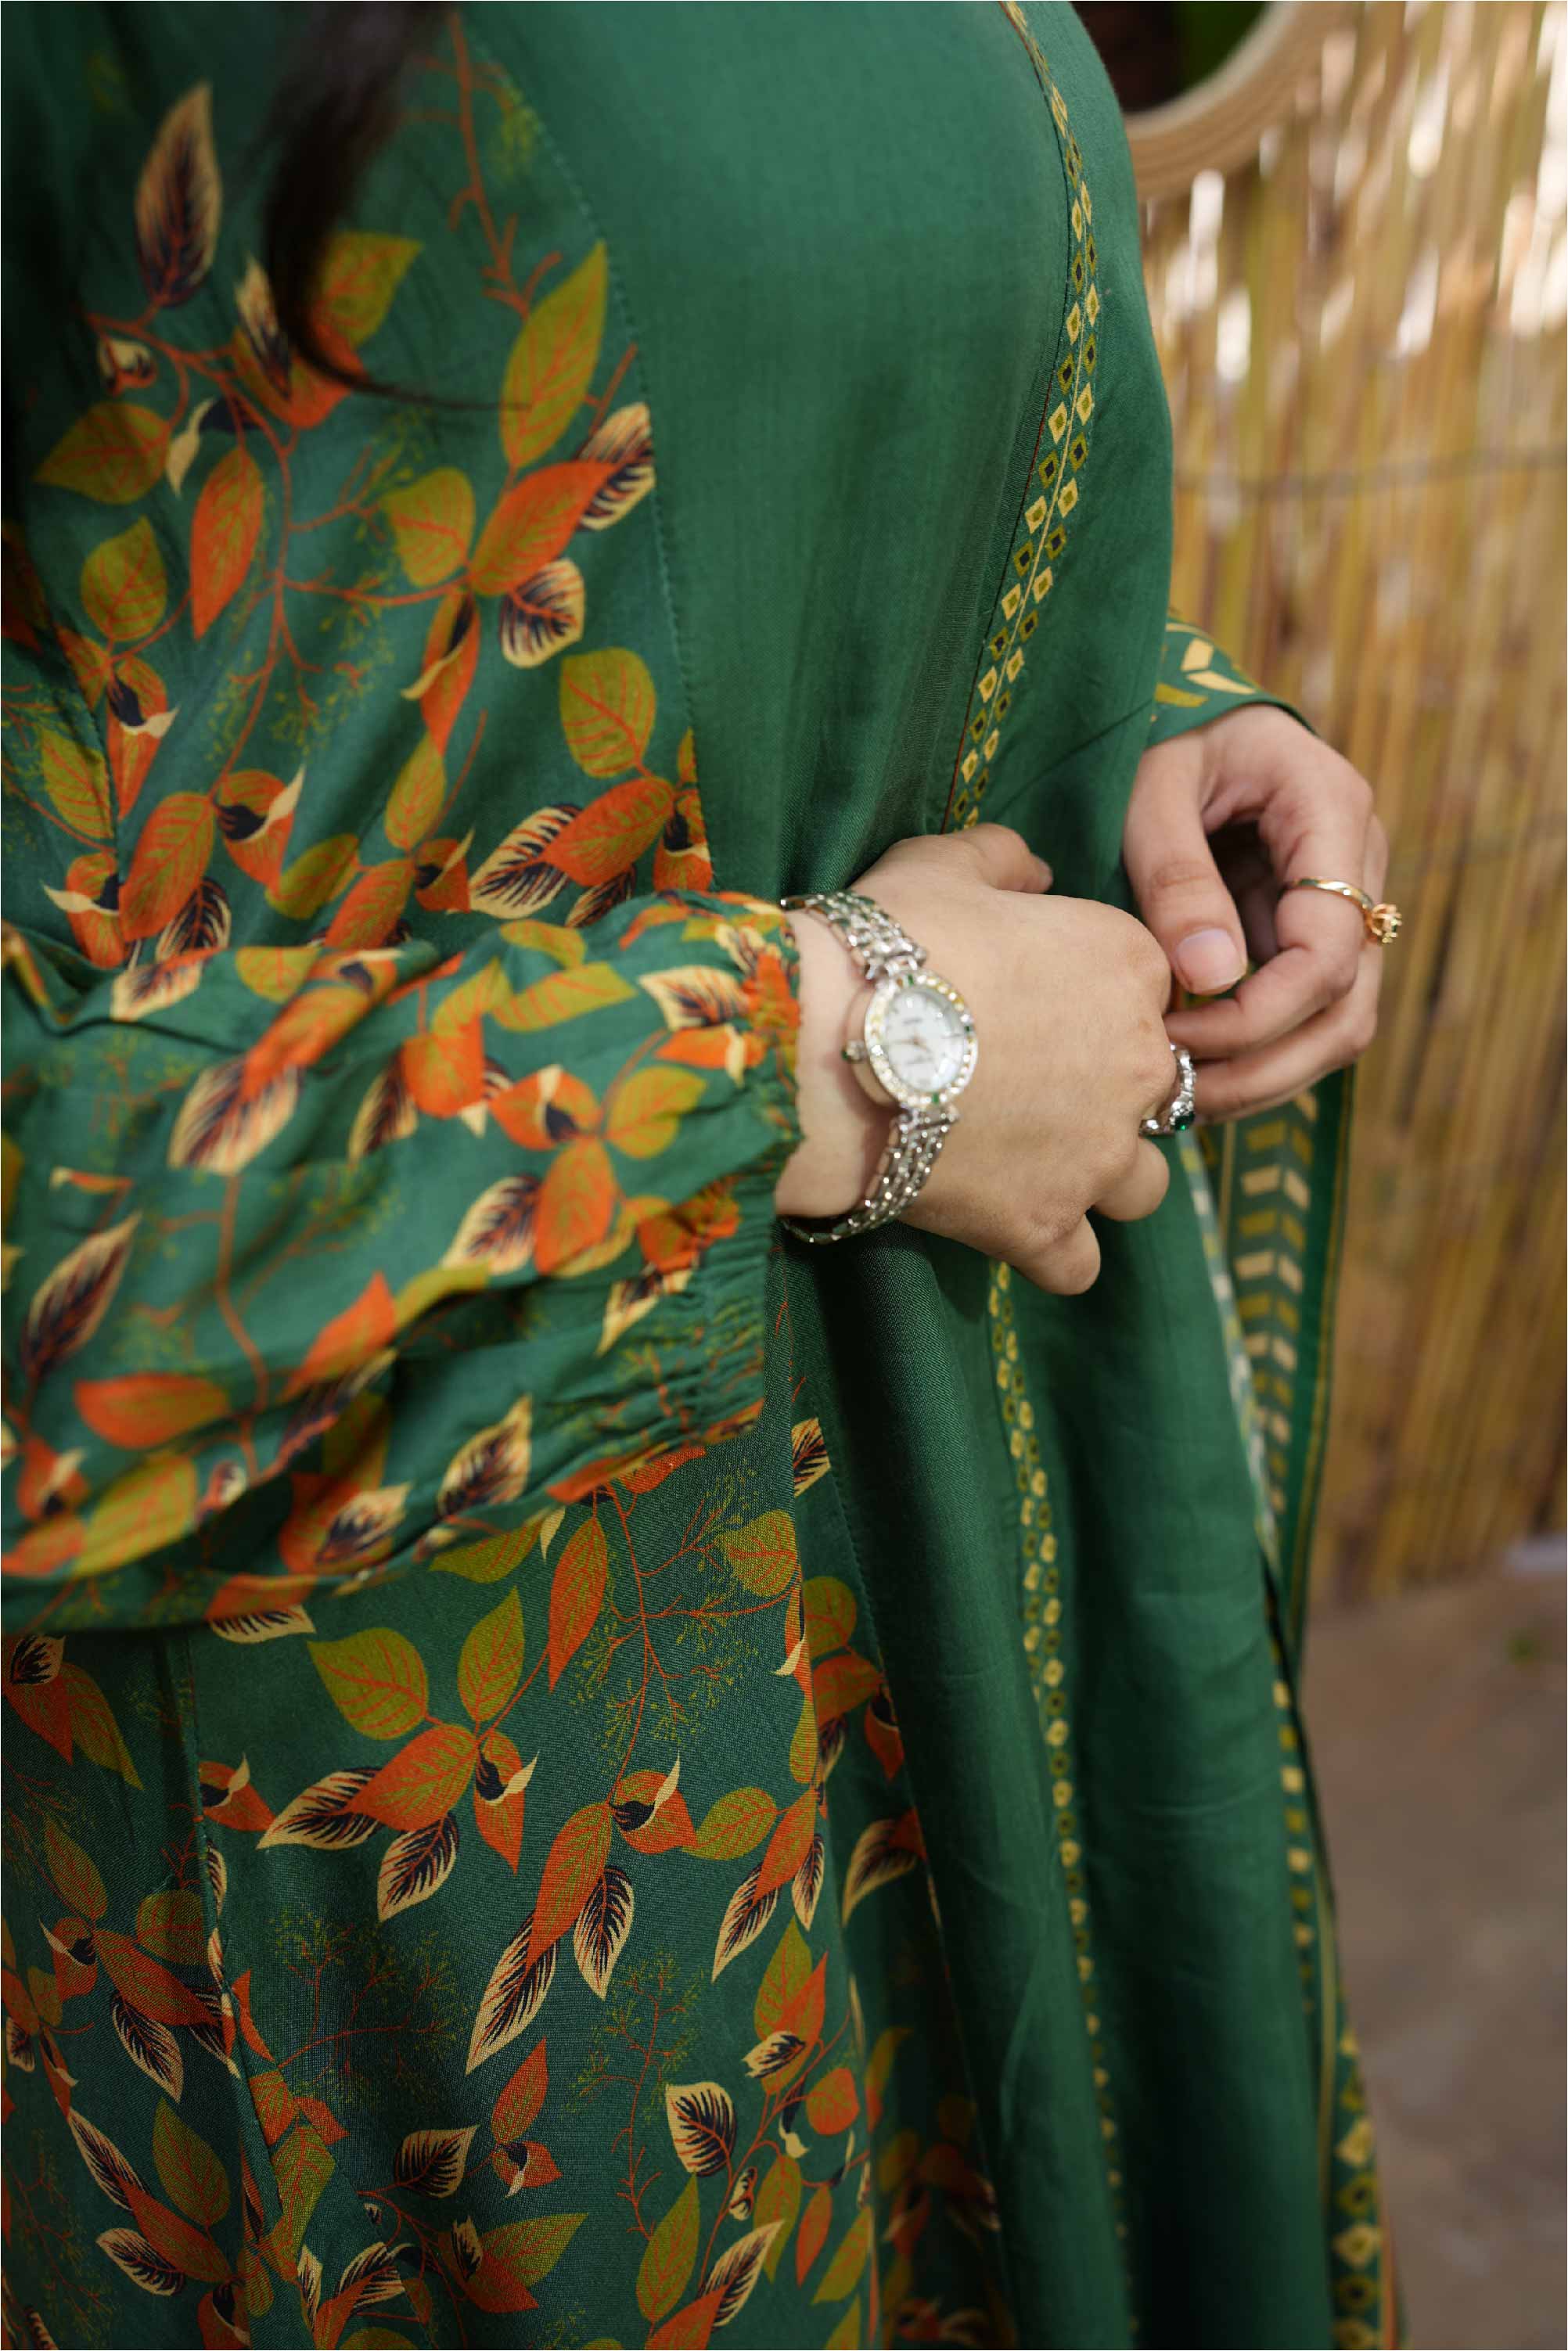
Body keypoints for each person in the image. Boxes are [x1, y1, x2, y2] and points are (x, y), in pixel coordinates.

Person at [0, 5, 1401, 2346]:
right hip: (444, 1860)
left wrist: (1121, 720)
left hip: (931, 1594)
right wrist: (830, 1049)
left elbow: (625, 536)